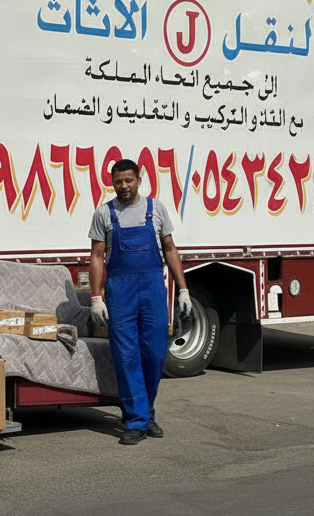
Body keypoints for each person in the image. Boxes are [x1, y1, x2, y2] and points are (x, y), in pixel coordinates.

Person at [88, 159, 192, 446]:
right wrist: (96, 297)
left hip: (152, 288)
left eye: (128, 180)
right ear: (112, 183)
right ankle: (136, 421)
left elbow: (169, 249)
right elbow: (97, 256)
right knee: (126, 357)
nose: (123, 186)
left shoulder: (156, 209)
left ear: (139, 180)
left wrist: (183, 289)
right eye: (118, 182)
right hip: (119, 291)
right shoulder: (104, 213)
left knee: (155, 354)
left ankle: (147, 412)